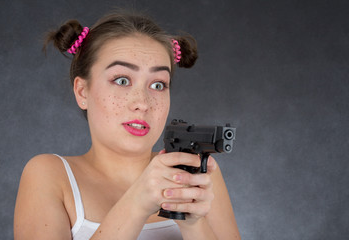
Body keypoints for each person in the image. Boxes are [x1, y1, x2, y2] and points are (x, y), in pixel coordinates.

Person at [14, 10, 240, 240]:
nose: (142, 103)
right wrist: (137, 203)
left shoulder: (197, 176)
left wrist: (193, 223)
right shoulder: (49, 175)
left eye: (158, 85)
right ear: (82, 92)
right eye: (122, 80)